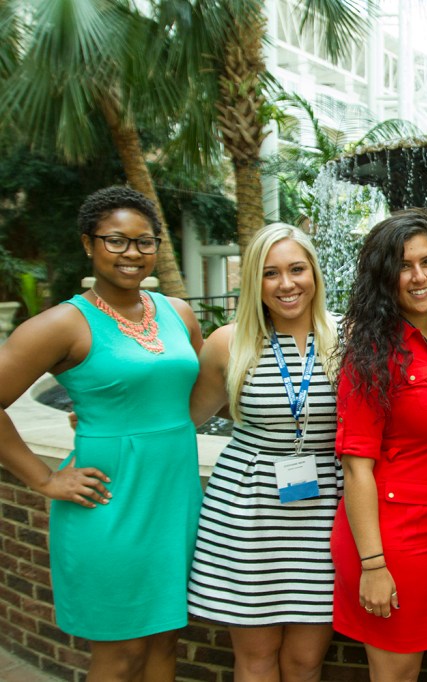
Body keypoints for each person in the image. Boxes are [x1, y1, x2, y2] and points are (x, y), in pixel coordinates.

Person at [0, 186, 203, 680]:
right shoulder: (62, 323)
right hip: (110, 502)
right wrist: (45, 481)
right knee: (120, 655)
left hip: (175, 496)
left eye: (144, 241)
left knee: (164, 643)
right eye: (115, 241)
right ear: (88, 244)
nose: (132, 253)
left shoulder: (178, 313)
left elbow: (187, 394)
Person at [331, 208, 427, 681]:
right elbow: (357, 469)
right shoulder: (371, 353)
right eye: (403, 266)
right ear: (383, 277)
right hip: (395, 543)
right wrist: (373, 566)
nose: (418, 277)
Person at [187, 223, 342, 682]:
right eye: (271, 273)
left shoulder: (348, 337)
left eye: (297, 269)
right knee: (256, 658)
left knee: (305, 660)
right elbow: (184, 418)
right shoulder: (227, 342)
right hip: (247, 511)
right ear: (254, 280)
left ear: (314, 272)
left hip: (324, 511)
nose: (287, 284)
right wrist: (109, 418)